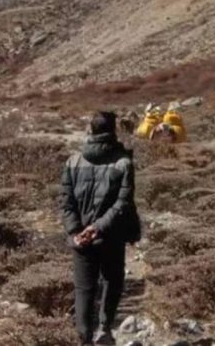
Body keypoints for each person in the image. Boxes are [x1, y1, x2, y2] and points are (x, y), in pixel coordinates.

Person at [61, 111, 136, 346]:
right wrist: (98, 227)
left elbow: (66, 202)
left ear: (90, 130)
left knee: (84, 289)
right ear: (113, 131)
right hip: (111, 237)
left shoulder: (73, 161)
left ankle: (83, 338)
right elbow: (122, 203)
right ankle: (104, 329)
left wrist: (76, 232)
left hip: (81, 241)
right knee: (112, 281)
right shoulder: (123, 163)